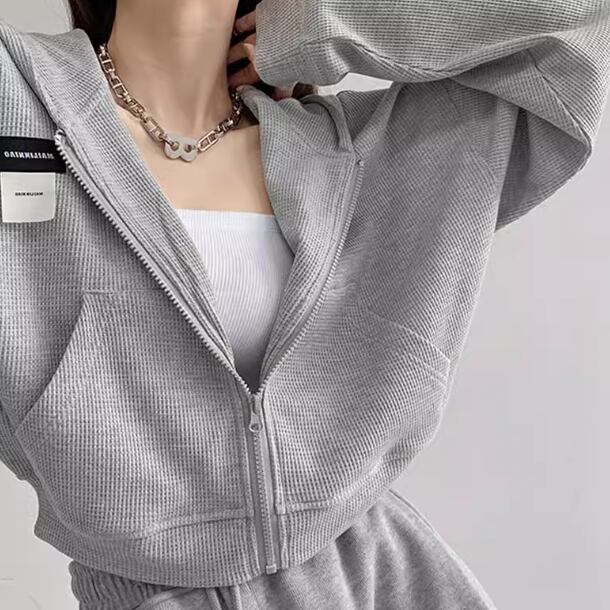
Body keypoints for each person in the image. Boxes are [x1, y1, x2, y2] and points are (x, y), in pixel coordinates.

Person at [0, 0, 609, 608]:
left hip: (383, 582)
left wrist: (326, 23)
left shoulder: (370, 151)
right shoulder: (20, 96)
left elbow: (584, 19)